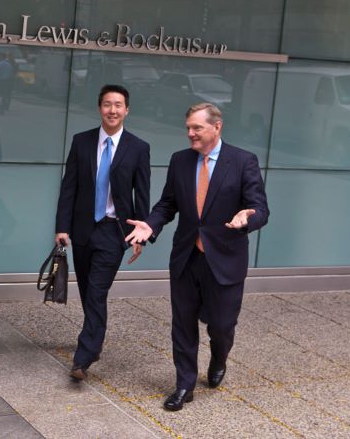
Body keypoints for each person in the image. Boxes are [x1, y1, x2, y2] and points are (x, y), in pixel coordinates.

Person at [125, 102, 268, 411]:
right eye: (188, 128)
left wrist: (247, 217)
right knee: (183, 324)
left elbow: (260, 208)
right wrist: (150, 225)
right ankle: (184, 385)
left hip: (225, 258)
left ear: (217, 127)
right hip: (187, 256)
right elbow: (168, 204)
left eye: (197, 128)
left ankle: (219, 357)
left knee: (221, 325)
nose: (190, 133)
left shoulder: (243, 161)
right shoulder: (180, 161)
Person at [55, 84, 151, 381]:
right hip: (83, 228)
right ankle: (94, 341)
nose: (113, 110)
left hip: (114, 230)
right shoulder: (81, 142)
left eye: (118, 105)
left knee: (97, 291)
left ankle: (84, 356)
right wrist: (62, 227)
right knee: (88, 291)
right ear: (100, 108)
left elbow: (142, 195)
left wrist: (140, 234)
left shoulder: (138, 148)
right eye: (108, 104)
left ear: (127, 110)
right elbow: (69, 187)